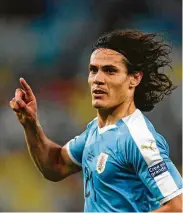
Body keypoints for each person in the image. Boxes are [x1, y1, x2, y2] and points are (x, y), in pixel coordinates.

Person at [9, 29, 182, 212]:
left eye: (110, 71)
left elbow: (177, 206)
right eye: (94, 70)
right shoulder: (96, 130)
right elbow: (56, 165)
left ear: (134, 79)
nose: (98, 79)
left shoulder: (138, 139)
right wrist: (30, 123)